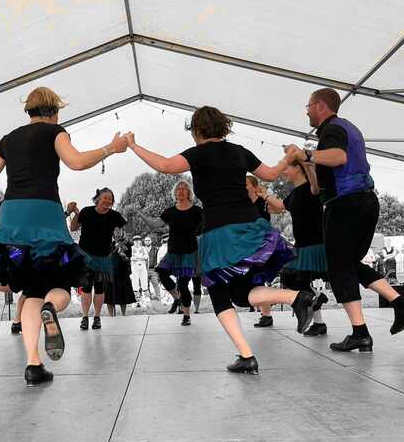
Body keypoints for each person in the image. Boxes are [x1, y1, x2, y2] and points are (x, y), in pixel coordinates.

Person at [126, 106, 317, 374]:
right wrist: (290, 157)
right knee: (241, 294)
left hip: (221, 233)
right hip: (249, 227)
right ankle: (297, 297)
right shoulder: (239, 151)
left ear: (197, 129)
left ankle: (247, 355)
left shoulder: (199, 153)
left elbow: (165, 166)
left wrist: (134, 146)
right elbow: (271, 174)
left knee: (219, 294)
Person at [0, 86, 128, 385]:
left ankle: (33, 365)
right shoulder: (55, 132)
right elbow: (76, 162)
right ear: (54, 111)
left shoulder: (8, 139)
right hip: (44, 210)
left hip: (12, 214)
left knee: (31, 289)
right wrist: (110, 148)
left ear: (29, 110)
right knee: (59, 282)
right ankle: (52, 307)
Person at [285, 88, 404, 352]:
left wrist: (308, 154)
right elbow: (316, 188)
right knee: (347, 264)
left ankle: (361, 333)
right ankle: (401, 305)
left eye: (308, 106)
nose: (306, 112)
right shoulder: (344, 130)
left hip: (346, 204)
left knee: (339, 267)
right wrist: (309, 165)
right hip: (361, 202)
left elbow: (340, 157)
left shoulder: (333, 128)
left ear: (320, 106)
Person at [267, 160, 329, 336]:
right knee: (293, 278)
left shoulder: (311, 188)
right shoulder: (294, 193)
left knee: (296, 278)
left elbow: (316, 185)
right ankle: (318, 319)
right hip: (302, 245)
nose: (283, 171)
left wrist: (306, 160)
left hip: (315, 245)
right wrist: (264, 195)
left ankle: (317, 302)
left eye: (287, 167)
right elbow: (281, 205)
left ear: (298, 168)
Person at [136, 180, 203, 326]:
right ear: (175, 193)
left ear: (189, 192)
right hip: (173, 251)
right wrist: (141, 215)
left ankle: (186, 315)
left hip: (189, 252)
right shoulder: (170, 211)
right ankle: (176, 299)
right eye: (178, 189)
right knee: (161, 272)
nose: (181, 191)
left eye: (184, 188)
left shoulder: (197, 211)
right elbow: (155, 224)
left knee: (183, 285)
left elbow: (207, 226)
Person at [70, 188, 127, 331]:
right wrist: (76, 213)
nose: (107, 201)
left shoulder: (114, 215)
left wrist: (121, 242)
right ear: (97, 199)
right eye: (105, 198)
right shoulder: (86, 211)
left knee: (100, 288)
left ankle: (97, 317)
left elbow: (127, 229)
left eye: (110, 199)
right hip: (86, 257)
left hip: (103, 258)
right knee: (86, 287)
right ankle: (84, 317)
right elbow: (73, 227)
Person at [245, 174, 284, 327]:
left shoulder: (262, 202)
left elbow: (279, 210)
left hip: (264, 245)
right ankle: (266, 314)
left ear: (254, 187)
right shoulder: (242, 205)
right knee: (256, 280)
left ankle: (268, 312)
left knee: (258, 279)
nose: (242, 186)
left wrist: (266, 196)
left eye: (246, 184)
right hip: (249, 246)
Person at [106, 228, 136, 315]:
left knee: (123, 293)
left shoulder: (127, 243)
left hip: (123, 271)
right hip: (111, 271)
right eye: (115, 230)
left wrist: (124, 257)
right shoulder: (109, 243)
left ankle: (123, 314)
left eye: (119, 230)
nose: (117, 232)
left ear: (122, 232)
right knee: (110, 295)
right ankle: (110, 315)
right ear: (113, 232)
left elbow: (129, 257)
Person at [129, 235, 149, 306]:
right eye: (135, 240)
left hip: (142, 267)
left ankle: (145, 299)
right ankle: (135, 300)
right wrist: (139, 257)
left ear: (140, 241)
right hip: (134, 267)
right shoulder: (131, 248)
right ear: (133, 241)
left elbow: (146, 257)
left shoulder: (143, 248)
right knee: (135, 283)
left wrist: (138, 257)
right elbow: (130, 257)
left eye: (138, 240)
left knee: (144, 282)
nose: (137, 241)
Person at [144, 236, 161, 300]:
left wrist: (157, 266)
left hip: (153, 269)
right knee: (146, 285)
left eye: (149, 240)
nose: (147, 242)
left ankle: (159, 297)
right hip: (144, 270)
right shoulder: (142, 249)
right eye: (146, 240)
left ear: (151, 241)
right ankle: (148, 297)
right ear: (144, 242)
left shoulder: (155, 249)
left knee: (155, 283)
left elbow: (159, 257)